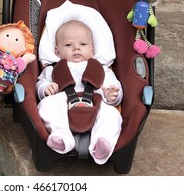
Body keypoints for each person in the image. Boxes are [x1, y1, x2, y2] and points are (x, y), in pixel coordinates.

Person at [36, 20, 123, 165]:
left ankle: (102, 143)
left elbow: (115, 88)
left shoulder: (102, 69)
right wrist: (45, 89)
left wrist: (112, 95)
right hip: (63, 103)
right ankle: (62, 136)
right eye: (68, 45)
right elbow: (40, 84)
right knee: (45, 105)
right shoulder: (53, 69)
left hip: (95, 102)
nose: (76, 48)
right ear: (57, 51)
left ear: (92, 49)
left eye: (83, 44)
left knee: (112, 115)